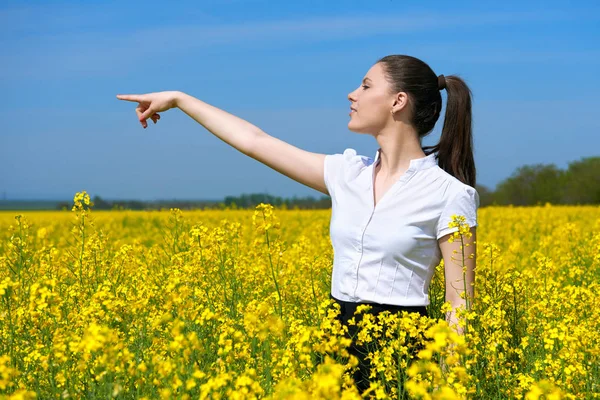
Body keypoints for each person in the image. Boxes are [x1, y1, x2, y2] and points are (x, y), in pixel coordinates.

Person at [116, 54, 478, 395]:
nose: (352, 94)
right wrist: (180, 99)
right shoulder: (347, 174)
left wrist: (446, 381)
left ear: (398, 101)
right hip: (337, 342)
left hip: (402, 356)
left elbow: (459, 303)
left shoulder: (449, 194)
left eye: (366, 86)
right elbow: (254, 141)